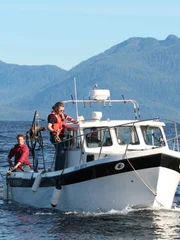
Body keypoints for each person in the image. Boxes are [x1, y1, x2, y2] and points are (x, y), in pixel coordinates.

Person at [47, 102, 78, 170]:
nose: (62, 112)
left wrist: (75, 122)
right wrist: (54, 131)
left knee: (71, 140)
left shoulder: (61, 115)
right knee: (60, 151)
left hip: (62, 136)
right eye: (61, 110)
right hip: (55, 137)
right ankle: (59, 169)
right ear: (56, 109)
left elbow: (69, 118)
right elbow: (49, 126)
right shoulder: (52, 116)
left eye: (63, 110)